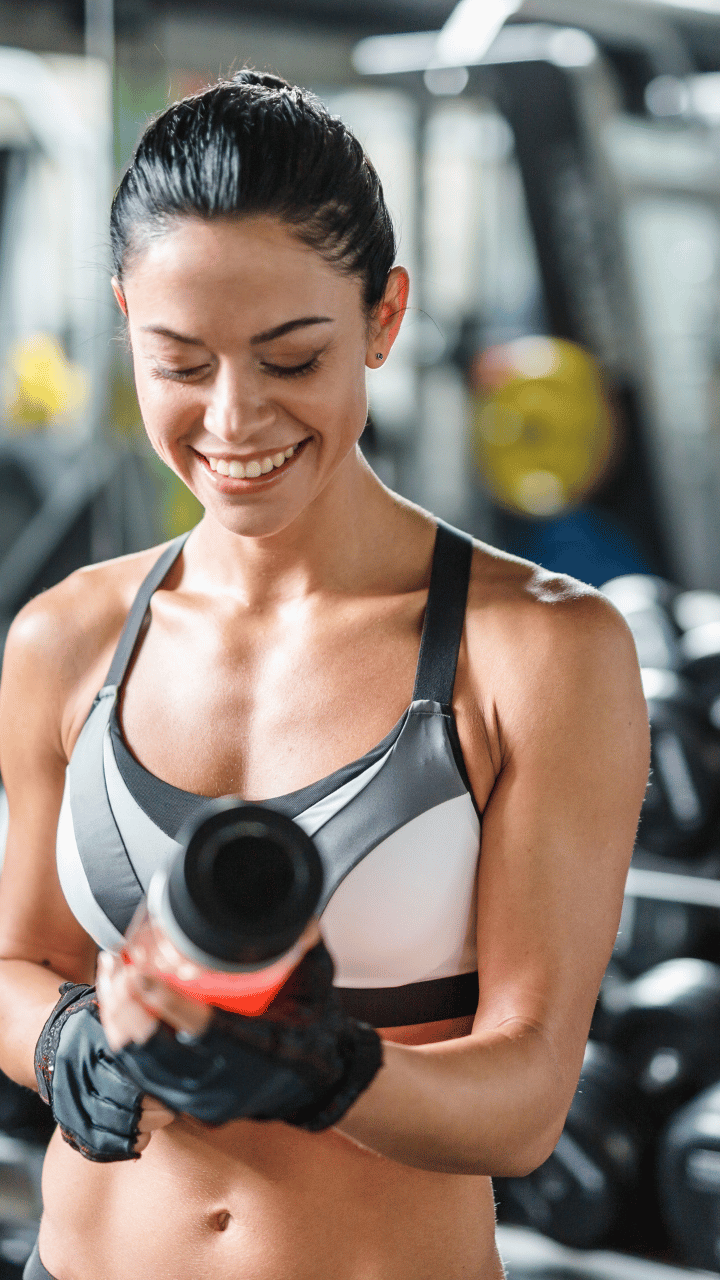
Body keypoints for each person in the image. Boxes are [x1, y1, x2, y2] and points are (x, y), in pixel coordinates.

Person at [0, 72, 649, 1280]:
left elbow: (526, 1099)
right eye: (179, 362)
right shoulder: (65, 636)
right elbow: (14, 961)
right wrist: (64, 1041)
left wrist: (326, 1067)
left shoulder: (541, 650)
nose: (234, 419)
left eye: (292, 356)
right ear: (124, 316)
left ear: (384, 317)